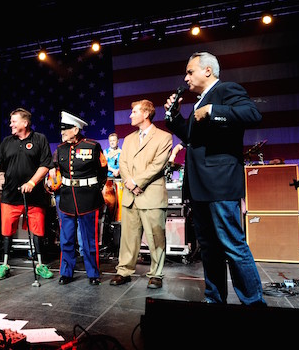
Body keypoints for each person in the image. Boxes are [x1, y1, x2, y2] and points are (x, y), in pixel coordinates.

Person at [164, 51, 266, 306]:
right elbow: (190, 137)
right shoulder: (199, 102)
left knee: (233, 245)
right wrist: (174, 116)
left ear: (207, 70)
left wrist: (213, 110)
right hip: (199, 187)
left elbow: (253, 114)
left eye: (190, 71)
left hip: (220, 185)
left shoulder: (225, 91)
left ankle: (254, 303)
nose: (186, 77)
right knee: (209, 249)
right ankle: (214, 298)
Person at [110, 99, 172, 289]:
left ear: (146, 114)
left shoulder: (163, 137)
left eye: (134, 111)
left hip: (151, 195)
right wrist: (130, 182)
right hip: (131, 195)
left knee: (156, 238)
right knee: (128, 238)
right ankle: (124, 271)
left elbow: (158, 165)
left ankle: (156, 274)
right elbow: (124, 164)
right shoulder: (128, 139)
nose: (130, 115)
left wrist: (137, 182)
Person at [0, 108, 54, 281]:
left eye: (14, 121)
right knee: (6, 231)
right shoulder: (7, 141)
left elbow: (46, 164)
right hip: (10, 195)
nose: (11, 124)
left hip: (34, 196)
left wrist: (32, 183)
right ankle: (5, 264)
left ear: (25, 123)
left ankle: (40, 264)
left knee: (38, 231)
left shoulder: (39, 139)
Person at [54, 111, 108, 285]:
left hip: (88, 198)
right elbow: (56, 172)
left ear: (76, 129)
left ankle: (93, 273)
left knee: (88, 240)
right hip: (67, 198)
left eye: (66, 129)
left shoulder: (93, 146)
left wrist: (94, 188)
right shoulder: (61, 149)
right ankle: (66, 272)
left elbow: (103, 170)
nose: (62, 132)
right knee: (66, 238)